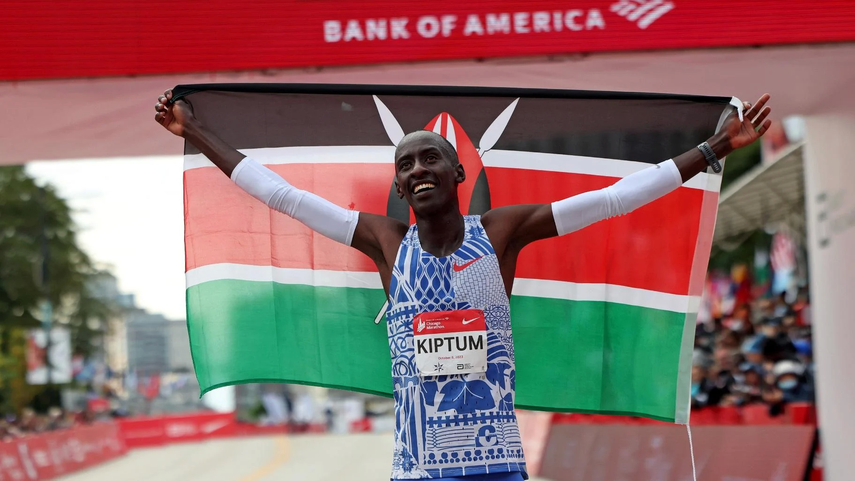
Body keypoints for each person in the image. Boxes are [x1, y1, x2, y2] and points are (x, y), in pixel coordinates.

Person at [155, 89, 771, 481]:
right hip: (416, 466)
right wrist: (196, 135)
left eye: (429, 159)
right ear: (398, 188)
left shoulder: (501, 232)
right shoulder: (385, 242)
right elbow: (281, 196)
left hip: (496, 465)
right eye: (405, 165)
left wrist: (713, 148)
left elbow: (611, 201)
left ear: (457, 172)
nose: (417, 169)